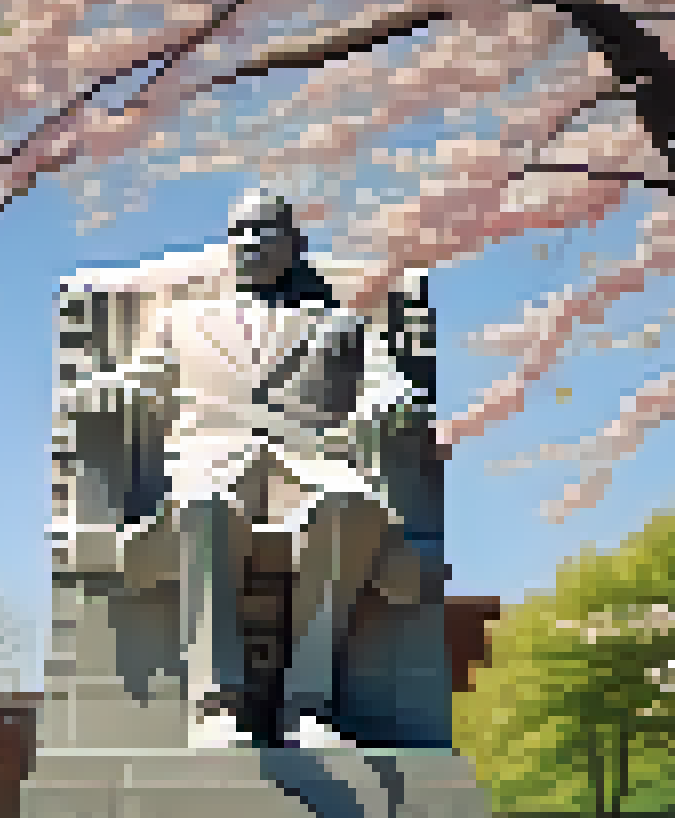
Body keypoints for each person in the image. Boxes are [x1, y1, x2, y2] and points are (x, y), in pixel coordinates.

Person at [87, 188, 429, 750]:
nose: (250, 243)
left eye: (265, 230)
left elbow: (381, 379)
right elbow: (143, 378)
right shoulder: (183, 320)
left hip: (309, 469)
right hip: (210, 467)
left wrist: (393, 402)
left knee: (350, 507)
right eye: (239, 232)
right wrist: (101, 393)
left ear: (294, 244)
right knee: (204, 508)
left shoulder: (337, 324)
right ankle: (216, 704)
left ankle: (309, 704)